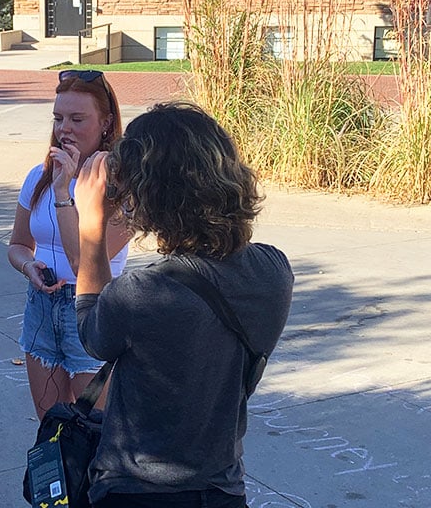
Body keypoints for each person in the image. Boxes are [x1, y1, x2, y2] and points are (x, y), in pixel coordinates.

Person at [74, 102, 294, 508]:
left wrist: (92, 228)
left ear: (150, 196)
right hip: (222, 489)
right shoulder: (274, 271)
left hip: (135, 490)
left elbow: (93, 333)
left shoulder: (144, 292)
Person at [7, 70, 130, 420]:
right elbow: (17, 244)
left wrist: (65, 193)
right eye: (59, 118)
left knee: (95, 438)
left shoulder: (122, 189)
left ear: (106, 123)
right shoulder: (38, 177)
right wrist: (28, 265)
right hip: (42, 310)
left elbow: (83, 263)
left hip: (93, 312)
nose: (65, 129)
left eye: (78, 119)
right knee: (52, 434)